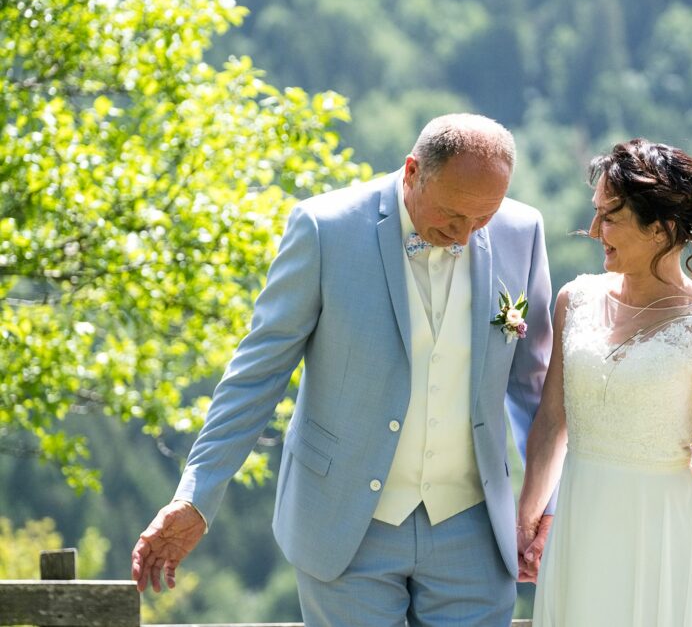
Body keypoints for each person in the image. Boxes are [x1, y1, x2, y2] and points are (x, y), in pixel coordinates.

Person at [131, 113, 555, 626]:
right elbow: (256, 375)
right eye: (450, 215)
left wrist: (544, 503)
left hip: (472, 529)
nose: (464, 236)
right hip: (345, 524)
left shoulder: (522, 231)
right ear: (412, 171)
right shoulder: (323, 228)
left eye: (481, 219)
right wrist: (196, 496)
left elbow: (535, 390)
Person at [516, 139, 692, 626]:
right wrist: (527, 520)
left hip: (665, 539)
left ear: (661, 228)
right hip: (581, 527)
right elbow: (551, 422)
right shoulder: (576, 299)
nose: (593, 231)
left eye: (609, 217)